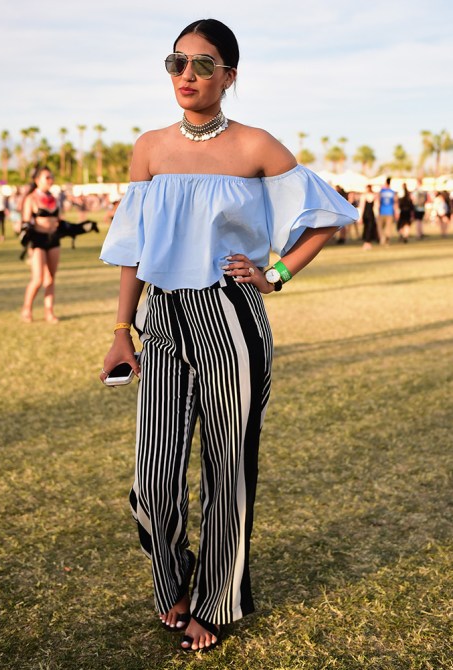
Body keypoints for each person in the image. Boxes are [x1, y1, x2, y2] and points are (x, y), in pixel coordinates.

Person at [99, 18, 358, 654]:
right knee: (152, 481)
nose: (187, 75)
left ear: (229, 76)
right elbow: (133, 248)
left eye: (203, 64)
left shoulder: (255, 146)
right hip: (161, 320)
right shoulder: (149, 148)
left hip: (230, 319)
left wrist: (273, 275)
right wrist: (121, 329)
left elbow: (327, 217)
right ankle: (171, 582)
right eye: (177, 63)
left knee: (228, 468)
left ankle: (215, 598)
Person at [20, 166, 62, 323]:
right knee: (38, 279)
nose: (51, 180)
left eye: (52, 177)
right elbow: (25, 222)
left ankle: (49, 312)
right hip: (37, 240)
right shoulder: (31, 199)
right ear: (37, 180)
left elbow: (59, 219)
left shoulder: (54, 198)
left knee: (50, 279)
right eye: (47, 177)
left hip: (53, 239)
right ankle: (27, 309)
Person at [377, 176, 397, 245]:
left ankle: (382, 239)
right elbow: (395, 202)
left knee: (380, 227)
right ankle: (386, 239)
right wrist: (396, 212)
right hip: (390, 212)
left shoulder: (381, 191)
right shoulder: (392, 192)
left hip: (382, 211)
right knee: (388, 227)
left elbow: (378, 201)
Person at [358, 184, 378, 250]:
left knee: (367, 228)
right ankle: (368, 242)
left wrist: (360, 217)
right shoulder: (374, 196)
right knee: (369, 228)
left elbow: (362, 207)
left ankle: (367, 242)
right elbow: (376, 207)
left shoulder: (364, 196)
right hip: (371, 214)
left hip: (366, 214)